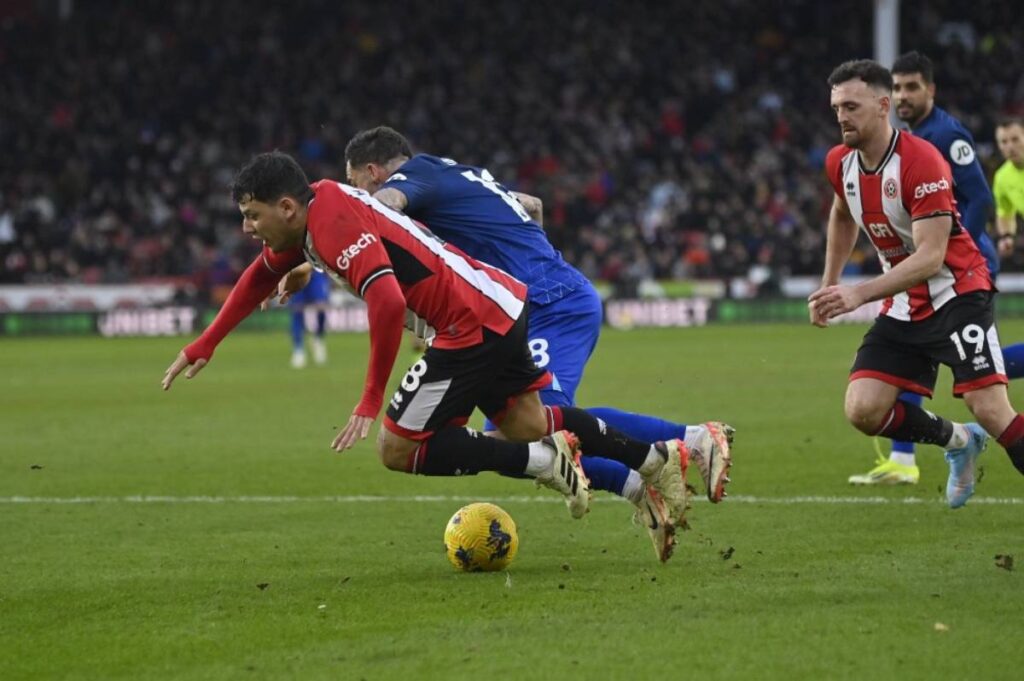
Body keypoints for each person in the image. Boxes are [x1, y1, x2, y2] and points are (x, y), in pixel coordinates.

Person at [162, 151, 692, 561]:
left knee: (399, 448)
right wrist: (204, 343)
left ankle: (547, 462)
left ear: (285, 206)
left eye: (252, 216)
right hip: (499, 304)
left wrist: (370, 400)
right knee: (530, 420)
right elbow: (261, 272)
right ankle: (653, 462)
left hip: (466, 325)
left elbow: (388, 301)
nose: (247, 228)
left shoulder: (331, 223)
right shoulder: (315, 211)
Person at [811, 59, 1024, 509]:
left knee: (991, 409)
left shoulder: (922, 161)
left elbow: (931, 257)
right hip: (906, 301)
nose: (841, 117)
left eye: (851, 106)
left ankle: (977, 428)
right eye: (836, 108)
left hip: (958, 292)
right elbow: (842, 213)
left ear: (883, 105)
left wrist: (857, 292)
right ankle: (959, 442)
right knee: (863, 410)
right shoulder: (840, 163)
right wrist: (830, 285)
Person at [280, 267, 331, 368]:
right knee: (297, 309)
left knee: (321, 307)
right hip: (296, 271)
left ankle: (318, 339)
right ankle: (298, 349)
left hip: (315, 270)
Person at [994, 118, 1024, 261]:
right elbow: (1005, 212)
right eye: (1004, 142)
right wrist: (1007, 236)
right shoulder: (1002, 177)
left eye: (1015, 139)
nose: (1010, 147)